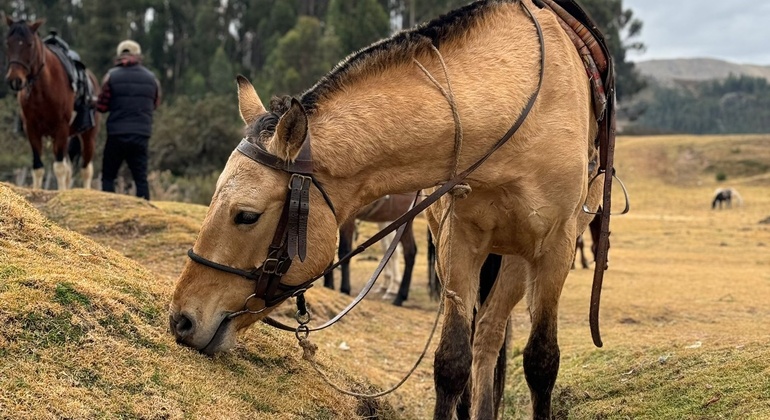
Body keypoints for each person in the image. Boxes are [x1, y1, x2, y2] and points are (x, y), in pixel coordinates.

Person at [96, 40, 160, 200]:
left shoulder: (111, 76)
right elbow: (155, 103)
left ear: (119, 55)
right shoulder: (152, 78)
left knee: (109, 176)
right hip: (141, 134)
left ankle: (106, 209)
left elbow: (102, 106)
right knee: (141, 179)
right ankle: (145, 213)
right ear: (138, 55)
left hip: (116, 134)